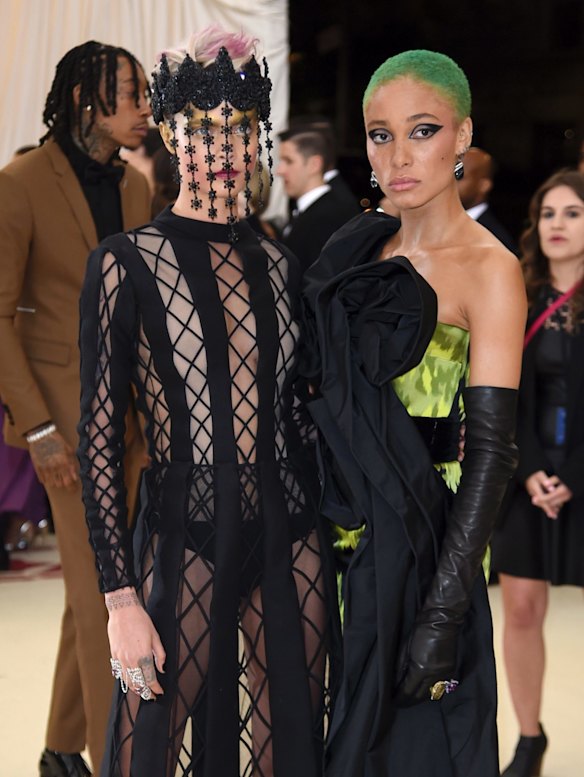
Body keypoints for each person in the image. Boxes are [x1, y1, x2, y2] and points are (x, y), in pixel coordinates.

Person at [77, 26, 336, 777]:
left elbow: (300, 407)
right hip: (182, 529)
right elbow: (100, 438)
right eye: (204, 129)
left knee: (293, 743)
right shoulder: (126, 263)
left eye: (242, 127)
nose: (226, 146)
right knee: (147, 740)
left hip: (292, 530)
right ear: (170, 134)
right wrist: (120, 599)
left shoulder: (282, 263)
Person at [301, 50, 526, 776]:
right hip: (323, 540)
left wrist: (442, 612)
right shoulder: (353, 246)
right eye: (380, 134)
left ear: (463, 135)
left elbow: (491, 455)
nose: (398, 155)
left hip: (423, 549)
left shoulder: (490, 269)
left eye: (422, 130)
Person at [0, 41, 151, 776]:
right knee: (107, 598)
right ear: (88, 100)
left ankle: (62, 751)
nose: (146, 108)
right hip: (62, 425)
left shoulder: (136, 187)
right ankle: (114, 754)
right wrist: (36, 426)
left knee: (96, 591)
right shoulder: (20, 183)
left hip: (133, 422)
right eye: (133, 93)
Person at [491, 170, 584, 777]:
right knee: (521, 609)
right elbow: (503, 389)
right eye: (548, 213)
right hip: (527, 472)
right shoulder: (518, 293)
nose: (557, 224)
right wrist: (530, 470)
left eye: (573, 213)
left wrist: (573, 472)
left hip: (579, 469)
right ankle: (529, 738)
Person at [277, 128, 360, 273]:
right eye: (281, 161)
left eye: (289, 161)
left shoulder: (328, 217)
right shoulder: (310, 211)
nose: (279, 170)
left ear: (314, 165)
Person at [457, 146, 518, 253]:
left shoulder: (495, 240)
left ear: (484, 185)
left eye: (459, 176)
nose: (450, 182)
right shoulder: (436, 225)